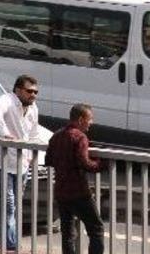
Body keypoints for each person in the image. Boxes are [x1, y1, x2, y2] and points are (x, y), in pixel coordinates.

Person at [0, 74, 41, 252]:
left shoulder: (33, 109)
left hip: (22, 163)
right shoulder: (7, 100)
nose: (33, 95)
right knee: (7, 205)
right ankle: (10, 246)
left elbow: (33, 133)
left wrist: (33, 155)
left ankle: (10, 243)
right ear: (18, 90)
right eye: (29, 91)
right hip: (2, 161)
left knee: (15, 205)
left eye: (35, 92)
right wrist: (4, 134)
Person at [46, 104, 106, 254]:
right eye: (89, 119)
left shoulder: (57, 135)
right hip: (78, 191)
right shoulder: (80, 137)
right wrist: (101, 163)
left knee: (68, 232)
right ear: (80, 119)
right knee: (96, 228)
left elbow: (48, 159)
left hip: (60, 190)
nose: (91, 123)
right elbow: (85, 163)